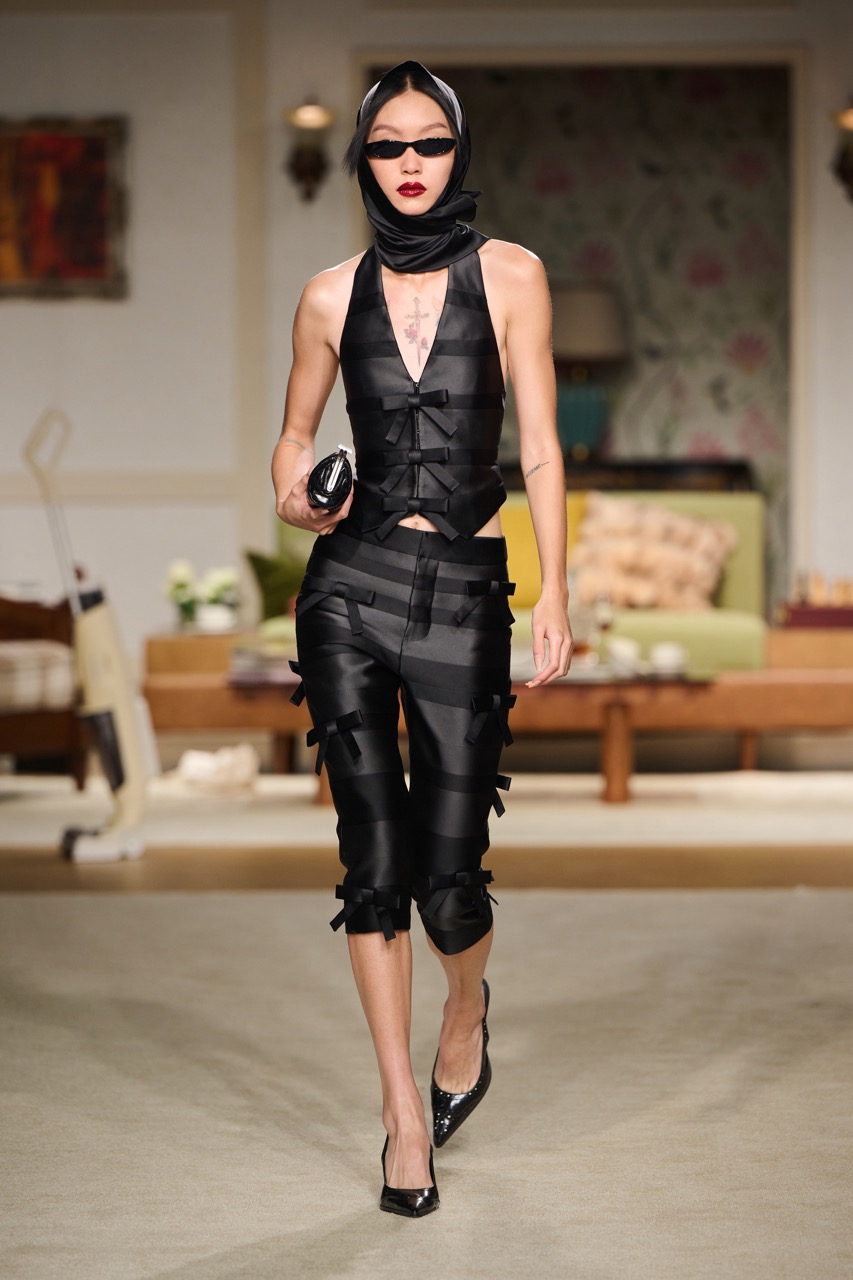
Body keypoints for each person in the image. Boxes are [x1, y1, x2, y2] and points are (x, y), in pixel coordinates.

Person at [272, 61, 572, 1217]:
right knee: (372, 861)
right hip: (348, 589)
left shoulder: (512, 276)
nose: (409, 163)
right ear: (363, 158)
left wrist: (554, 590)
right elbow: (291, 440)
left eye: (429, 143)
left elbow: (538, 445)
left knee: (451, 885)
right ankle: (402, 1113)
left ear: (457, 152)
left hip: (463, 588)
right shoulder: (325, 294)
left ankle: (464, 1006)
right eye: (388, 145)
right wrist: (295, 493)